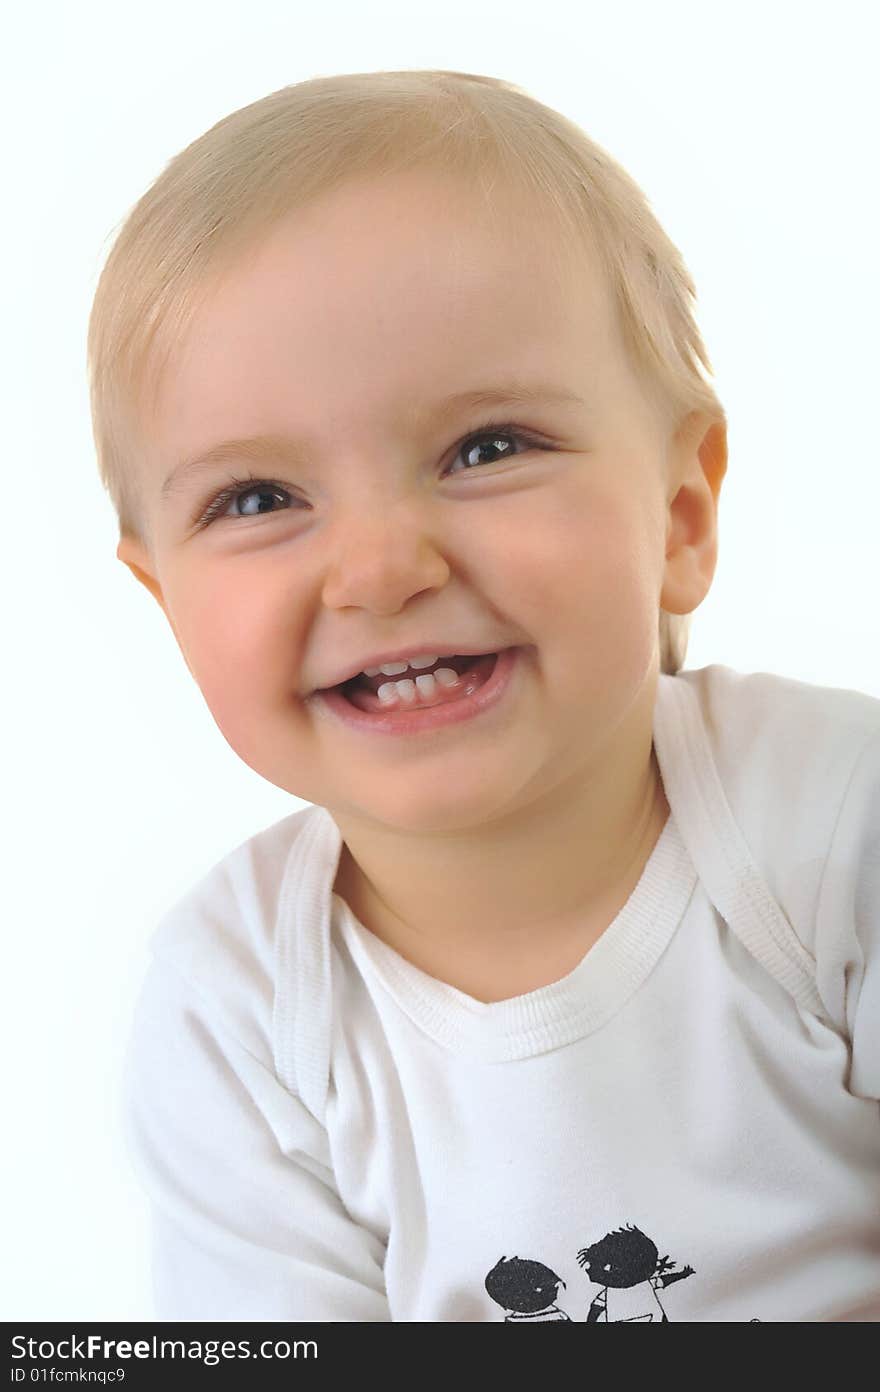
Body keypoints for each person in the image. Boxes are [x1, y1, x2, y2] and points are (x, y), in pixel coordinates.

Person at [87, 70, 879, 1322]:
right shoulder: (237, 1008)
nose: (384, 568)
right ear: (166, 602)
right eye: (256, 500)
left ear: (678, 516)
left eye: (487, 448)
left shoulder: (832, 824)